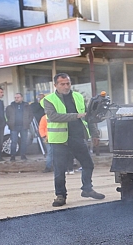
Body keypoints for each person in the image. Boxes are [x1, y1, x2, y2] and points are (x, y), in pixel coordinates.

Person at [42, 73, 105, 207]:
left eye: (68, 83)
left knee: (88, 165)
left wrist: (94, 134)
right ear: (55, 85)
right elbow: (53, 116)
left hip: (77, 137)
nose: (66, 86)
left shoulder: (78, 96)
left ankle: (87, 189)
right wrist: (76, 115)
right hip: (59, 140)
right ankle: (60, 195)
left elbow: (88, 117)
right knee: (60, 170)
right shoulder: (49, 99)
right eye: (62, 84)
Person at [6, 93, 34, 161]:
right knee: (14, 142)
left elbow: (31, 115)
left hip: (24, 126)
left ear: (22, 98)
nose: (16, 99)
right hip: (14, 127)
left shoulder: (27, 106)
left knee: (24, 141)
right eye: (15, 97)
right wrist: (9, 123)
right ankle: (12, 156)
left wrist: (28, 122)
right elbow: (7, 116)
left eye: (18, 97)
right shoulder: (10, 107)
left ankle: (23, 156)